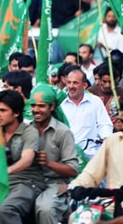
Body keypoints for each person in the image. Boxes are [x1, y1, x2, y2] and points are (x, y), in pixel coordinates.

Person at [0, 91, 47, 224]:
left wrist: (6, 171)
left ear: (16, 113)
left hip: (27, 182)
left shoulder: (29, 132)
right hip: (1, 181)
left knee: (5, 210)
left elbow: (26, 160)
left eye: (3, 110)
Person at [29, 85, 79, 224]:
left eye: (41, 106)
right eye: (33, 106)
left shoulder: (63, 132)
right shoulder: (27, 129)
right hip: (29, 181)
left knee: (45, 208)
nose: (36, 110)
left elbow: (73, 169)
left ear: (52, 107)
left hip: (55, 183)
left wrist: (49, 163)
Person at [60, 70, 113, 158]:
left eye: (75, 83)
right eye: (69, 82)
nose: (71, 86)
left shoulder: (95, 101)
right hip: (66, 152)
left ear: (84, 85)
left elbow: (104, 124)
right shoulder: (60, 104)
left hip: (91, 152)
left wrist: (106, 139)